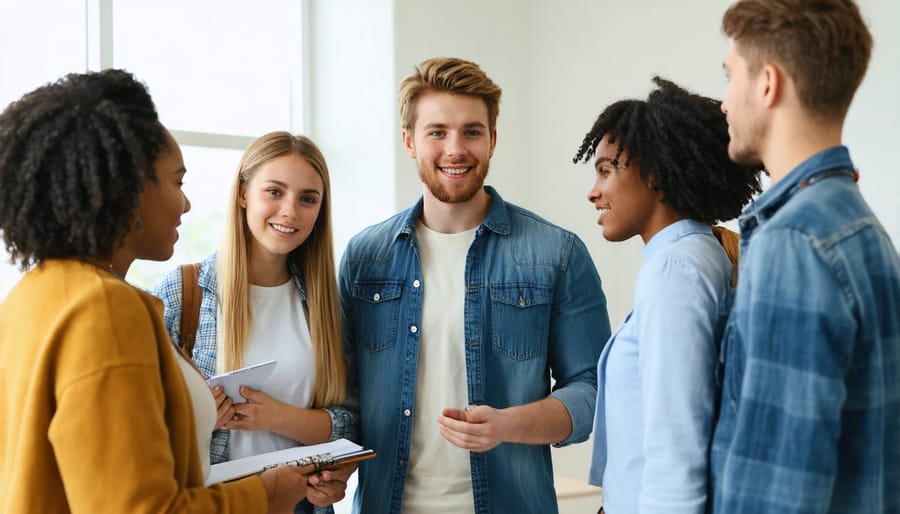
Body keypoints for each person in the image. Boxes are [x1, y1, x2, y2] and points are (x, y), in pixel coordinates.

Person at [0, 69, 313, 513]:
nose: (186, 203)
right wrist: (266, 494)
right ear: (125, 189)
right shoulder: (105, 309)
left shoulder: (28, 297)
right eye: (177, 181)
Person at [339, 56, 611, 513]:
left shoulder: (556, 254)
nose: (455, 149)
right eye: (437, 132)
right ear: (409, 141)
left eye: (471, 131)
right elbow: (341, 395)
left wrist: (508, 424)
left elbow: (593, 390)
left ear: (492, 140)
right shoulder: (365, 258)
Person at [712, 1, 900, 512]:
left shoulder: (793, 242)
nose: (724, 102)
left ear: (767, 84)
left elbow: (778, 485)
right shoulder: (857, 224)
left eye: (730, 76)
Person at [572, 77, 762, 514]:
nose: (593, 191)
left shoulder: (674, 270)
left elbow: (678, 440)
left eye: (606, 170)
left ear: (654, 177)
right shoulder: (696, 254)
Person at [153, 131, 357, 513]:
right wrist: (199, 417)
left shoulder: (325, 307)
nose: (290, 212)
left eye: (307, 199)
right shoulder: (184, 293)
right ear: (243, 194)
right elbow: (140, 425)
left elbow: (348, 424)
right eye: (275, 192)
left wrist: (283, 420)